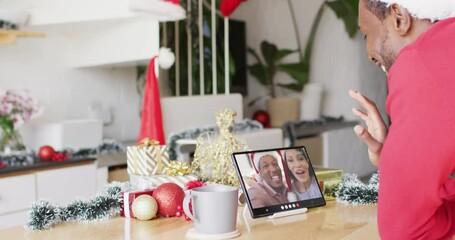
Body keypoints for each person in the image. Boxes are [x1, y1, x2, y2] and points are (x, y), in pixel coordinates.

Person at [351, 0, 455, 238]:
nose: (368, 54)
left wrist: (393, 165)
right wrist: (396, 160)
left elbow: (404, 232)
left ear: (399, 17)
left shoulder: (421, 63)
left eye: (367, 33)